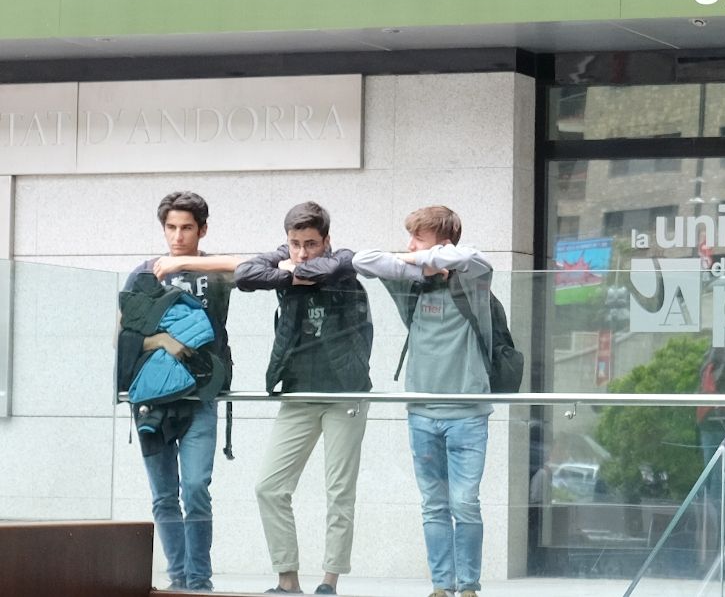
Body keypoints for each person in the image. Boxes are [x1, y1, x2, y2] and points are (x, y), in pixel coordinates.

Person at [354, 206, 494, 597]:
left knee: (465, 503)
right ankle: (441, 587)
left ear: (443, 242)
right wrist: (418, 266)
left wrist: (432, 260)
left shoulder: (471, 281)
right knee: (434, 505)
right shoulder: (411, 283)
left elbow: (474, 257)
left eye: (419, 238)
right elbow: (362, 260)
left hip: (467, 413)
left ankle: (468, 586)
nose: (410, 246)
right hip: (421, 413)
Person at [236, 201, 374, 596]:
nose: (302, 253)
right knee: (269, 486)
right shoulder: (287, 261)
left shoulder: (342, 265)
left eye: (311, 244)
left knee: (339, 490)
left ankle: (329, 581)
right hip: (298, 391)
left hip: (345, 392)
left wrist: (288, 271)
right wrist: (287, 271)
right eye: (294, 244)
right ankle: (288, 581)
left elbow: (330, 268)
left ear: (326, 240)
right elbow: (244, 275)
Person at [120, 191, 242, 592]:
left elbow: (254, 267)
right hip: (153, 399)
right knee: (163, 495)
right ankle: (179, 579)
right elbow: (124, 336)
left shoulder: (215, 269)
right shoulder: (144, 273)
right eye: (171, 227)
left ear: (202, 230)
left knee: (195, 487)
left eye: (186, 227)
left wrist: (186, 264)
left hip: (200, 395)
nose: (177, 236)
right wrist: (161, 341)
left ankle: (199, 580)